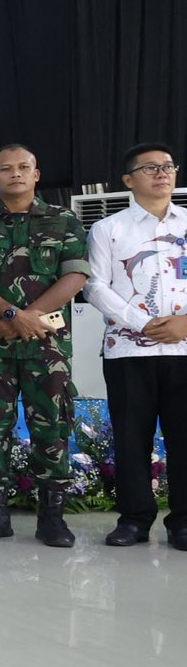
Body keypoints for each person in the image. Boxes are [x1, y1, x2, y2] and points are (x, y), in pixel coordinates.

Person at [0, 145, 91, 548]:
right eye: (5, 169)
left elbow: (75, 276)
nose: (14, 173)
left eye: (23, 167)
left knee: (52, 425)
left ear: (36, 174)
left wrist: (28, 317)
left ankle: (52, 516)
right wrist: (12, 315)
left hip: (47, 347)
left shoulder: (64, 220)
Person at [86, 143, 187, 549]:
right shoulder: (108, 228)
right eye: (150, 168)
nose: (162, 173)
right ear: (128, 180)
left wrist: (184, 324)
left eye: (168, 166)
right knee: (131, 438)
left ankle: (183, 522)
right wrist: (142, 323)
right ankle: (134, 519)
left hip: (185, 348)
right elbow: (95, 286)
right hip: (129, 350)